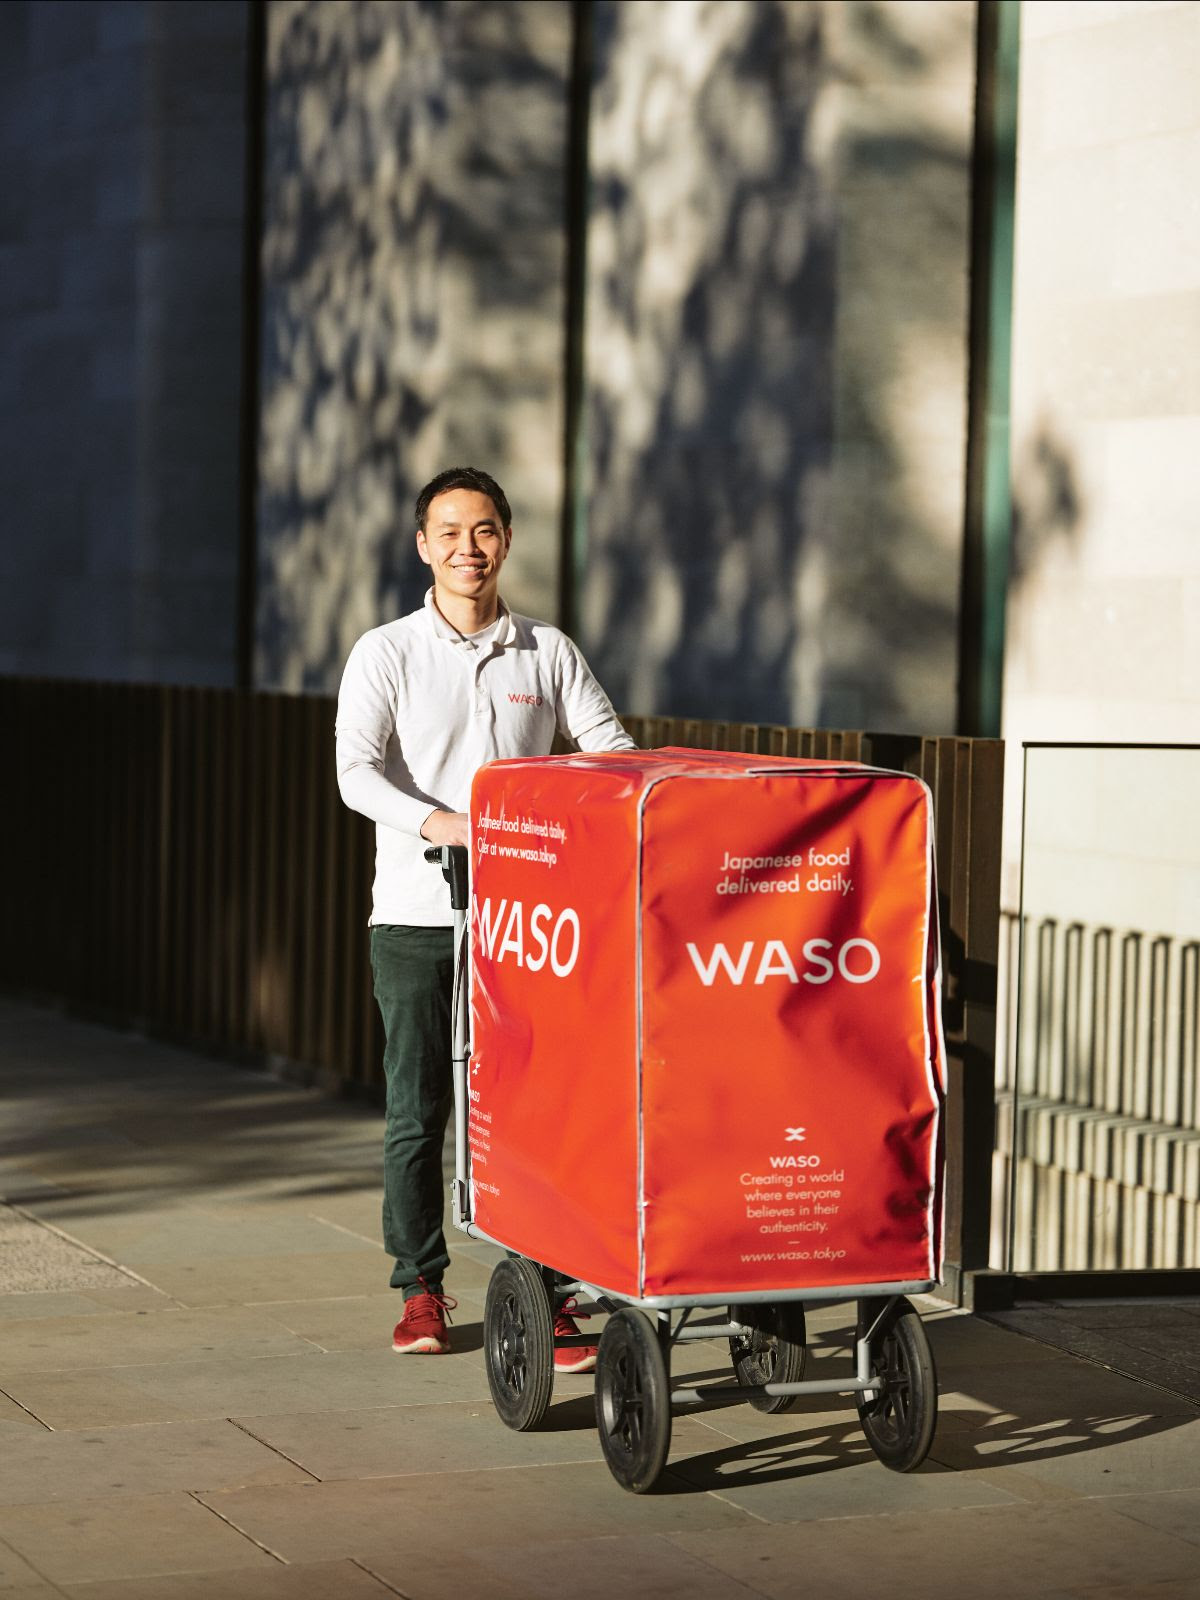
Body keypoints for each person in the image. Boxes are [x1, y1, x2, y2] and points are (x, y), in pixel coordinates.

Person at [335, 466, 636, 1362]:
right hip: (418, 917)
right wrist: (452, 826)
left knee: (538, 1109)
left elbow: (608, 754)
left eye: (486, 531)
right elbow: (357, 773)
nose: (470, 548)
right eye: (451, 532)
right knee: (417, 1108)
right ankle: (420, 1287)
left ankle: (546, 1287)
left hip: (532, 925)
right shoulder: (386, 651)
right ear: (423, 545)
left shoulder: (546, 649)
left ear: (506, 540)